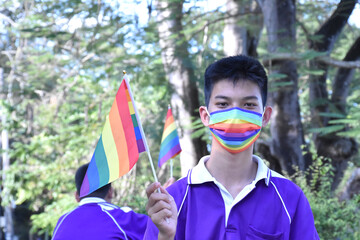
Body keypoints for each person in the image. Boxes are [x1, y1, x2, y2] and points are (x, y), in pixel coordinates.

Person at [144, 55, 320, 240]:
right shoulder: (173, 199)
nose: (235, 114)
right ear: (205, 115)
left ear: (265, 116)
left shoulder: (290, 198)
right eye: (223, 104)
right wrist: (165, 236)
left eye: (249, 105)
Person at [52, 163, 149, 240]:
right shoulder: (123, 217)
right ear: (110, 192)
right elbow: (159, 228)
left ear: (77, 196)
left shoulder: (62, 221)